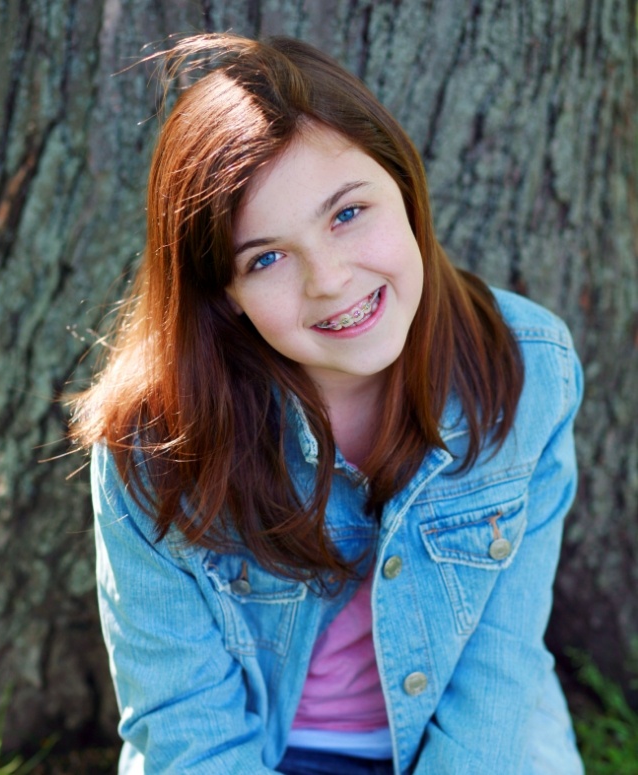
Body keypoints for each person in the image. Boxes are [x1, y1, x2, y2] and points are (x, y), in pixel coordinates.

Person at [71, 33, 585, 775]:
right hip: (260, 748)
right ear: (227, 294)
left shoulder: (526, 368)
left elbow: (498, 670)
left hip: (475, 741)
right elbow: (183, 720)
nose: (330, 279)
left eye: (347, 213)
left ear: (403, 186)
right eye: (268, 257)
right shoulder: (154, 439)